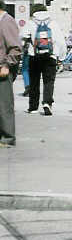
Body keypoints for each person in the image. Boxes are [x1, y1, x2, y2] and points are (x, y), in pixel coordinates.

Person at [23, 4, 65, 116]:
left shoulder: (30, 22)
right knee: (49, 81)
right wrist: (61, 57)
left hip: (34, 56)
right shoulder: (53, 23)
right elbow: (61, 42)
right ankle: (47, 102)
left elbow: (22, 37)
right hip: (50, 56)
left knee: (34, 82)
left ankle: (33, 107)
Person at [0, 8, 21, 147]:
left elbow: (15, 47)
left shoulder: (7, 21)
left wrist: (7, 65)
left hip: (3, 68)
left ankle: (8, 137)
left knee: (4, 104)